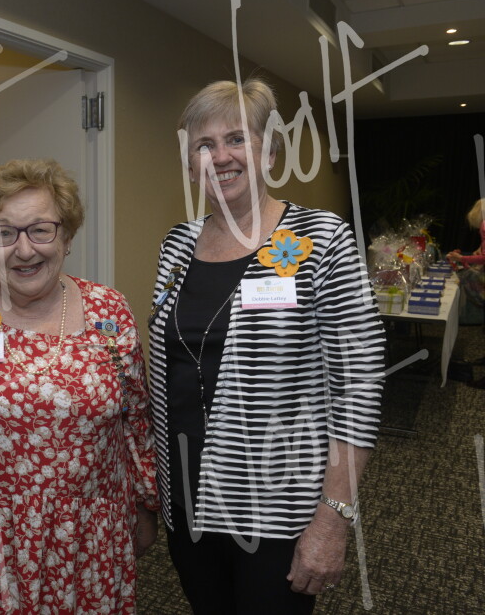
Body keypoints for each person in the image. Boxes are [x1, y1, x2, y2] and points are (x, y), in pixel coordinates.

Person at [147, 78, 386, 613]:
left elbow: (359, 385)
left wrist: (334, 517)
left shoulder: (320, 239)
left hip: (276, 510)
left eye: (237, 139)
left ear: (270, 152)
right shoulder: (177, 245)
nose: (220, 157)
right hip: (185, 499)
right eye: (204, 145)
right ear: (191, 165)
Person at [0, 158, 158, 614]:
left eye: (41, 230)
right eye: (4, 232)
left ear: (68, 236)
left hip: (91, 537)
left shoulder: (109, 310)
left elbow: (136, 417)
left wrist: (145, 506)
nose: (25, 250)